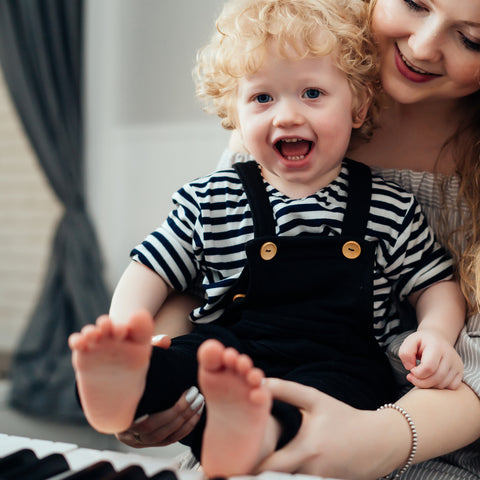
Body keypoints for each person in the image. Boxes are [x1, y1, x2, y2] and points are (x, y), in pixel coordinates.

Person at [69, 0, 468, 478]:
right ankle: (125, 394)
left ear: (358, 106)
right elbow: (152, 269)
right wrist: (129, 336)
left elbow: (434, 284)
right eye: (262, 99)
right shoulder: (211, 197)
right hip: (231, 353)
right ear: (233, 113)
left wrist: (436, 335)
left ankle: (260, 433)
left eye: (312, 93)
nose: (286, 116)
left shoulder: (389, 207)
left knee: (331, 395)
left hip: (337, 364)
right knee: (184, 362)